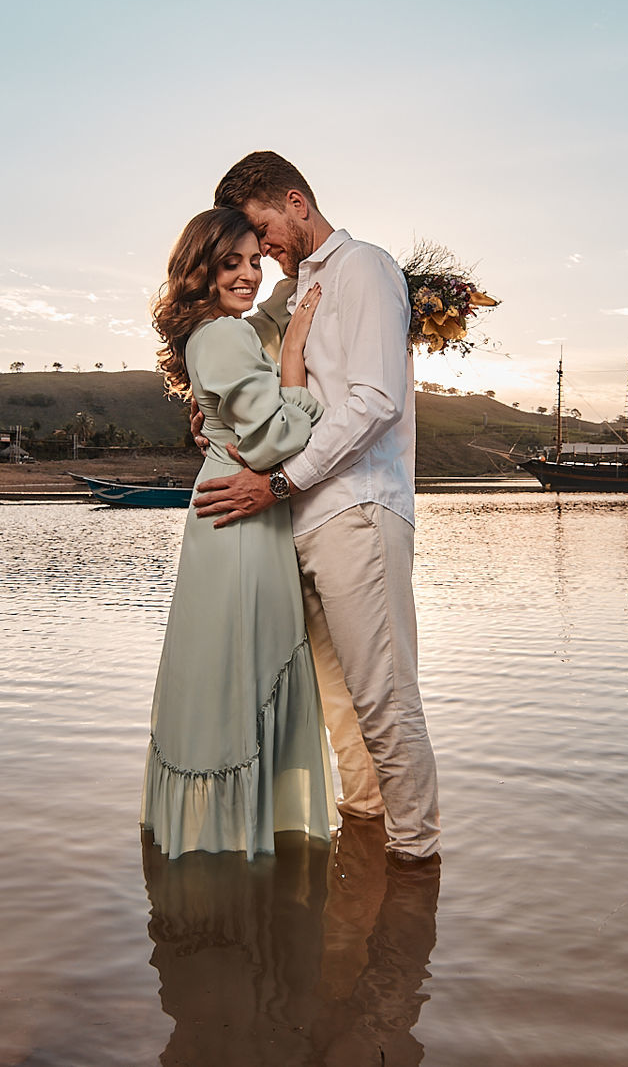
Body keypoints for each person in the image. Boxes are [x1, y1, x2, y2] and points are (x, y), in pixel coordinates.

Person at [193, 151, 441, 863]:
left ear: (297, 202)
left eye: (266, 229)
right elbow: (276, 398)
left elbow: (373, 400)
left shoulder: (363, 266)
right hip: (305, 515)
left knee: (385, 701)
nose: (263, 249)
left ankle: (415, 865)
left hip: (358, 509)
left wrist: (278, 483)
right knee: (338, 705)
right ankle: (365, 848)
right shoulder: (294, 294)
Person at [141, 206, 336, 858]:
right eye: (232, 263)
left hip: (225, 510)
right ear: (202, 271)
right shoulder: (223, 337)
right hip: (243, 520)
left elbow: (238, 421)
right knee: (247, 668)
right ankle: (247, 841)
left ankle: (222, 844)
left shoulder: (213, 334)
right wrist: (297, 365)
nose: (249, 274)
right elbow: (281, 434)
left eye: (255, 260)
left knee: (223, 670)